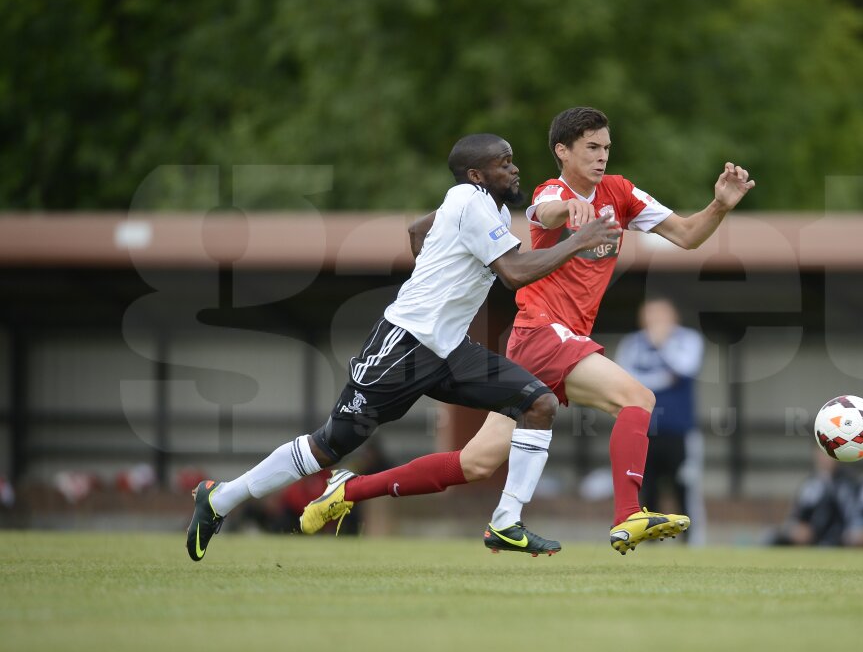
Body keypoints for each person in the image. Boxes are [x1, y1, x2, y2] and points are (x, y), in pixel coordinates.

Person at [303, 106, 755, 555]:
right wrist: (571, 209)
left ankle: (348, 491)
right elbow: (547, 212)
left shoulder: (620, 192)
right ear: (563, 151)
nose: (602, 157)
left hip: (541, 345)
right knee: (638, 399)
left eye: (606, 148)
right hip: (545, 332)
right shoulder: (548, 192)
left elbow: (689, 236)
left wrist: (719, 205)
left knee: (476, 462)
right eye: (592, 148)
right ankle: (627, 515)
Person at [185, 133, 621, 561]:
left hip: (449, 349)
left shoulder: (479, 205)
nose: (514, 168)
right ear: (476, 175)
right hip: (404, 344)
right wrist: (579, 241)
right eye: (503, 163)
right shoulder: (470, 201)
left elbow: (418, 230)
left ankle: (506, 522)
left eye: (512, 160)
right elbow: (513, 272)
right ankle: (220, 499)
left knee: (538, 404)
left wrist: (437, 276)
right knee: (330, 444)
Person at [614, 297, 705, 537]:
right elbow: (624, 379)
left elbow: (684, 369)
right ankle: (648, 539)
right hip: (644, 430)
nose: (656, 322)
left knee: (684, 487)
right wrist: (660, 379)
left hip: (679, 429)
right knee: (646, 488)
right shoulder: (632, 344)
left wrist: (662, 346)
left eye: (661, 316)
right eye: (651, 316)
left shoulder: (688, 340)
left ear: (674, 317)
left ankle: (693, 541)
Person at [766, 446, 859, 547]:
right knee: (770, 536)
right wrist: (796, 529)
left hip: (835, 539)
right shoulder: (809, 484)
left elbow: (851, 517)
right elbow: (795, 515)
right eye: (822, 452)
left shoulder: (847, 483)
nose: (825, 457)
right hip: (809, 540)